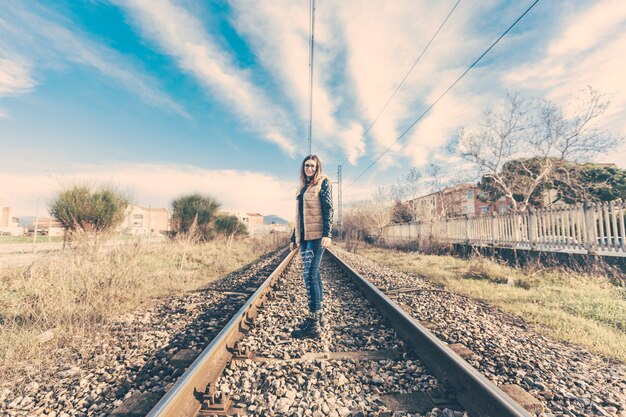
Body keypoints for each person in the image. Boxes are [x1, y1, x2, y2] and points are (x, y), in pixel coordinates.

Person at [289, 154, 333, 339]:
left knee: (309, 275)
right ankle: (319, 316)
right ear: (303, 168)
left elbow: (328, 208)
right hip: (305, 238)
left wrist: (327, 234)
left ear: (317, 168)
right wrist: (293, 237)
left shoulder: (323, 183)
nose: (309, 168)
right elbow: (299, 216)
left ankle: (313, 323)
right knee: (313, 275)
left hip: (317, 237)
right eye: (307, 165)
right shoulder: (302, 188)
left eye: (312, 166)